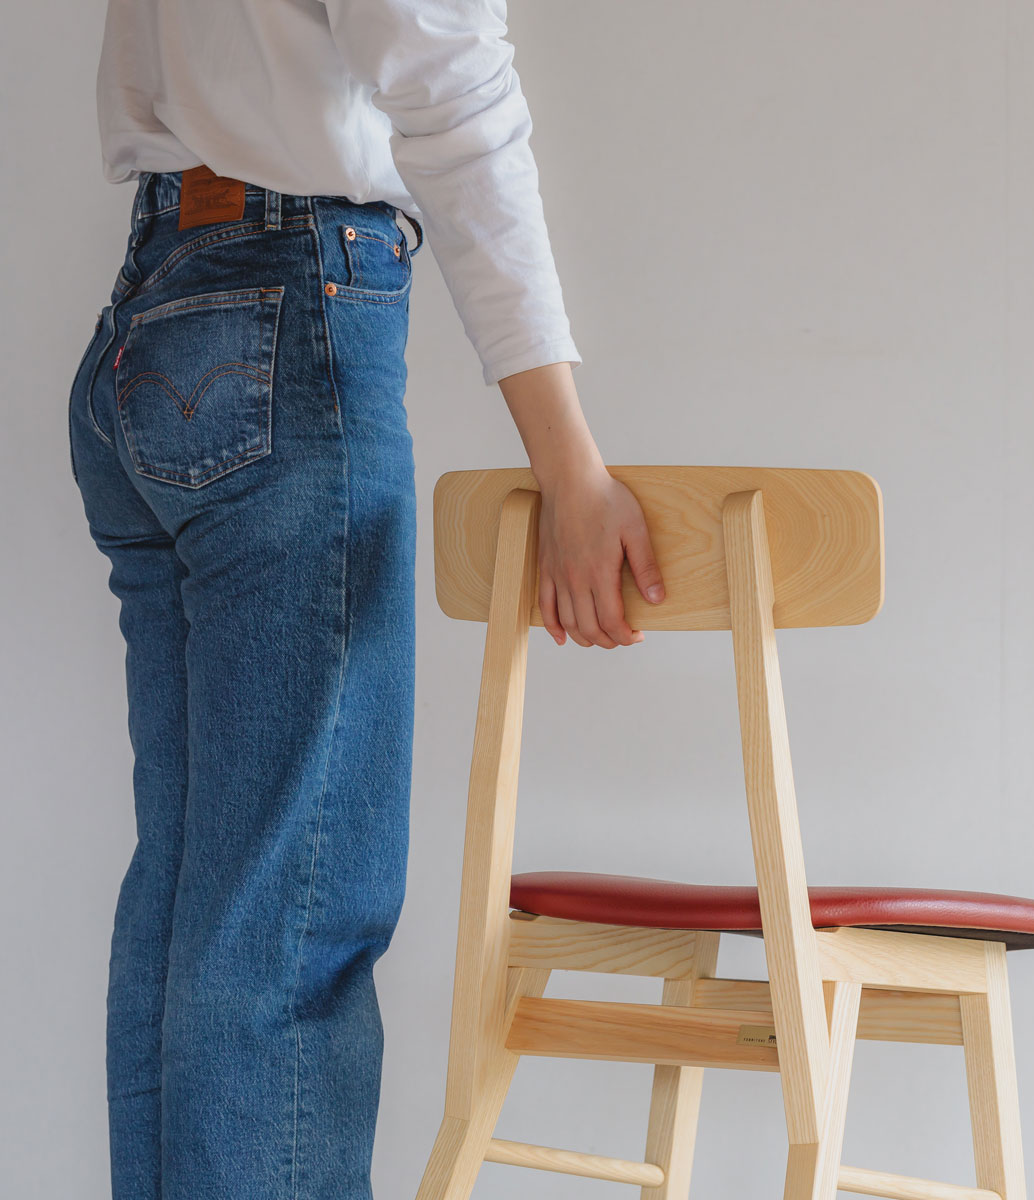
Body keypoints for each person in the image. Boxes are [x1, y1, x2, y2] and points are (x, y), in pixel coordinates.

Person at [67, 2, 665, 1196]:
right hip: (282, 323)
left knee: (192, 910)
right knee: (288, 924)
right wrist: (569, 464)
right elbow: (456, 98)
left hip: (151, 317)